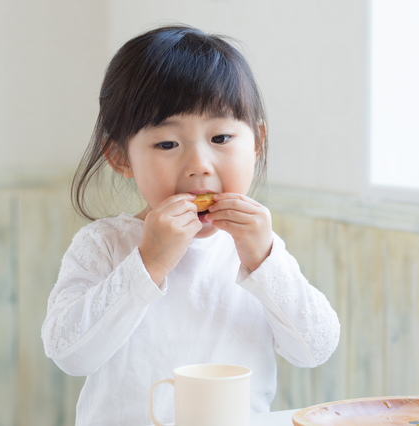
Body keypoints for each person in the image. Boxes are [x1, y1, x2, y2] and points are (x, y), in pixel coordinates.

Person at [41, 24, 340, 426]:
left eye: (220, 137)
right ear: (120, 157)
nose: (199, 165)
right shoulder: (104, 243)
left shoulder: (258, 249)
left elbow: (315, 347)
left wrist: (265, 260)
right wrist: (148, 263)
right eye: (167, 144)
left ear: (256, 143)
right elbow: (69, 354)